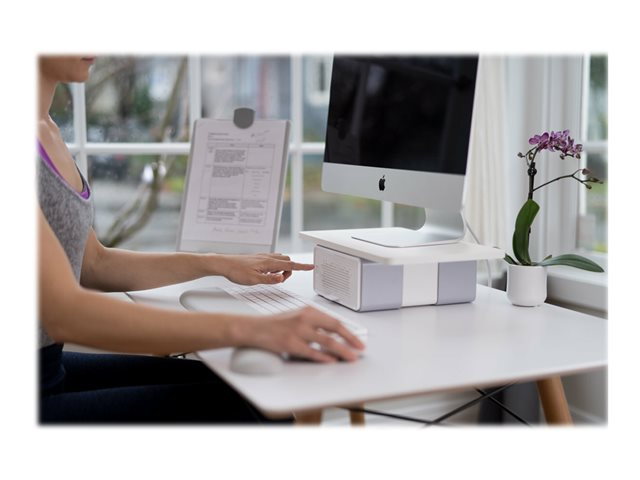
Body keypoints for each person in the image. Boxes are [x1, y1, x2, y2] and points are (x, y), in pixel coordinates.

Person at [37, 55, 365, 424]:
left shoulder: (47, 130)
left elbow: (94, 263)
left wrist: (217, 263)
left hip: (49, 367)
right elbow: (65, 314)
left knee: (245, 391)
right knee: (248, 411)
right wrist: (255, 330)